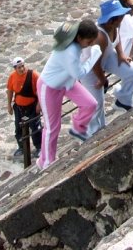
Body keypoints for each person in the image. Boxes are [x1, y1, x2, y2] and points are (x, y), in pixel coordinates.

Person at [37, 20, 101, 169]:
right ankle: (45, 162)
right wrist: (95, 55)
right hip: (50, 87)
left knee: (90, 104)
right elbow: (80, 72)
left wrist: (90, 51)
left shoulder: (77, 45)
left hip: (67, 82)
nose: (90, 44)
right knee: (52, 127)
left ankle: (79, 127)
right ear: (79, 38)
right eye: (89, 41)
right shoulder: (70, 51)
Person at [82, 0, 133, 137]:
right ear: (110, 21)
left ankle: (123, 100)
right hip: (89, 69)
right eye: (120, 16)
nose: (123, 18)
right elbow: (95, 64)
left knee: (132, 71)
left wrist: (120, 54)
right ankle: (94, 133)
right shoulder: (99, 37)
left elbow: (117, 37)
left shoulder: (115, 25)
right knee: (96, 103)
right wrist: (102, 79)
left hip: (107, 56)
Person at [6, 57, 42, 159]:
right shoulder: (12, 77)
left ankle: (39, 147)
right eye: (19, 67)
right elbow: (10, 91)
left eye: (22, 66)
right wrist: (9, 105)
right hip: (19, 108)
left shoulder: (33, 75)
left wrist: (39, 104)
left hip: (32, 107)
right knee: (18, 128)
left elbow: (41, 90)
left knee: (35, 127)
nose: (21, 69)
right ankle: (22, 147)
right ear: (15, 68)